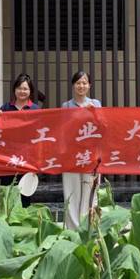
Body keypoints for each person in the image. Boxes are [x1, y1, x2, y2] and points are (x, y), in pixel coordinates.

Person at [61, 70, 101, 229]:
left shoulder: (96, 104)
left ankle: (89, 228)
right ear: (73, 85)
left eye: (84, 83)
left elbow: (104, 126)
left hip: (91, 155)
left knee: (90, 191)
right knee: (72, 192)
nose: (81, 86)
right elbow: (63, 130)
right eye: (78, 83)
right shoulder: (66, 106)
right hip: (71, 155)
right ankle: (72, 229)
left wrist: (94, 113)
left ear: (89, 85)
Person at [0, 73, 40, 206]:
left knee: (25, 195)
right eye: (19, 88)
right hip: (8, 159)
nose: (22, 91)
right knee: (7, 194)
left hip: (28, 159)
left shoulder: (35, 109)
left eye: (25, 89)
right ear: (14, 90)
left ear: (30, 91)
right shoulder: (5, 108)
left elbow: (38, 136)